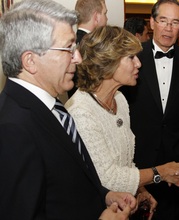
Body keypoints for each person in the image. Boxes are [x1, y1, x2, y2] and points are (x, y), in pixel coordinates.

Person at [0, 0, 136, 219]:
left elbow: (65, 185)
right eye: (68, 48)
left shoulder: (51, 106)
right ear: (30, 61)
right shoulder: (12, 129)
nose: (78, 58)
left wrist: (105, 195)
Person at [65, 25, 179, 220]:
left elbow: (126, 161)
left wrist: (140, 190)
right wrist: (160, 172)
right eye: (131, 57)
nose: (139, 63)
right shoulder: (81, 112)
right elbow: (108, 177)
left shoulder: (120, 99)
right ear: (108, 63)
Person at [121, 0, 179, 219]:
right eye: (163, 21)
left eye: (174, 22)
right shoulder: (133, 56)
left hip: (175, 161)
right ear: (152, 23)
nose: (168, 27)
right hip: (138, 160)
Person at [68, 0, 108, 98]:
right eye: (105, 13)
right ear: (96, 17)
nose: (107, 18)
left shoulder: (70, 43)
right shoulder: (94, 47)